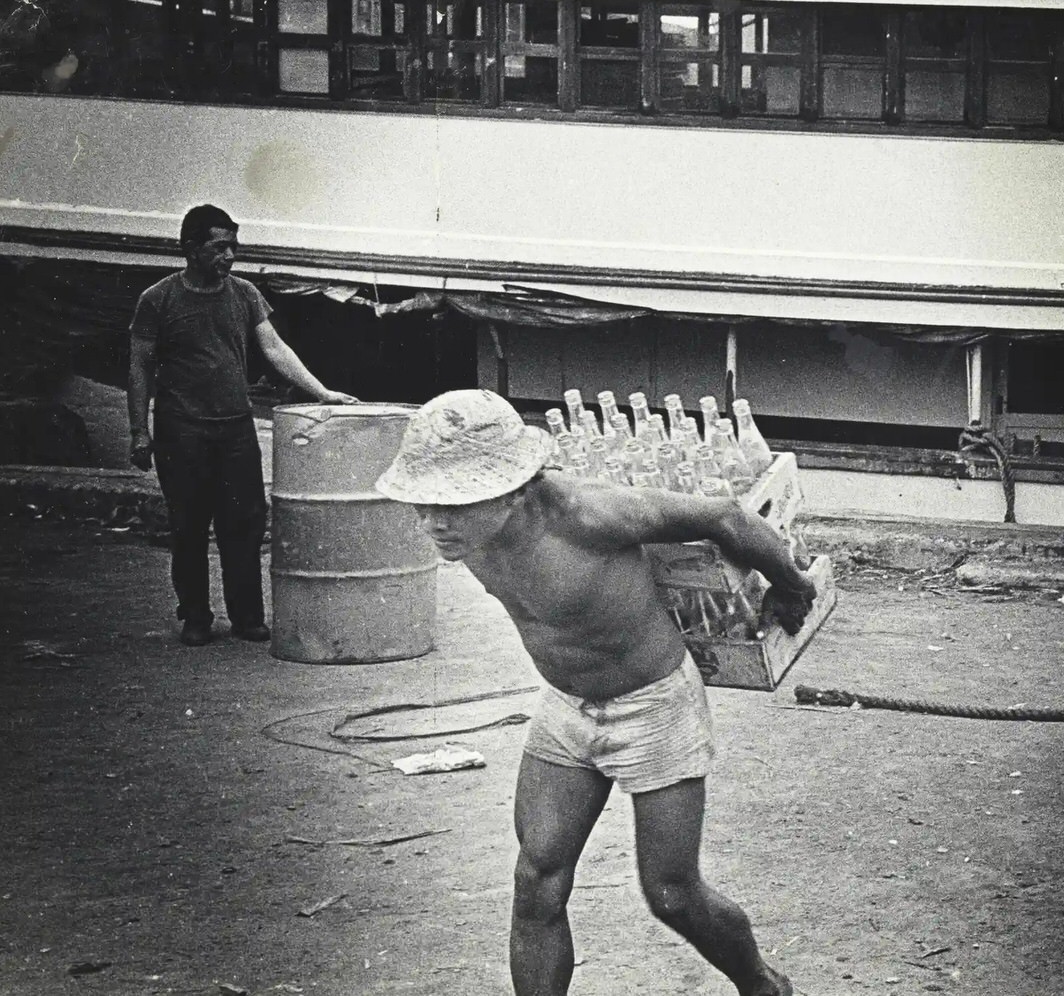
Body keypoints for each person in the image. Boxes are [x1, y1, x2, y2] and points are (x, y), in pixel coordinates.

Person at [375, 389, 817, 996]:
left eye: (453, 504)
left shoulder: (589, 516)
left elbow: (725, 516)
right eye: (425, 505)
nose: (433, 523)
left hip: (653, 708)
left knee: (672, 894)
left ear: (515, 488)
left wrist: (791, 583)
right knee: (537, 883)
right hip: (564, 709)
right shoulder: (465, 533)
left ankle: (765, 986)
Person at [128, 204, 356, 647]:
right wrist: (140, 430)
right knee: (189, 525)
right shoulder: (157, 299)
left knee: (245, 523)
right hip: (181, 431)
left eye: (234, 246)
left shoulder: (246, 294)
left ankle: (247, 617)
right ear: (190, 249)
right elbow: (138, 366)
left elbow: (275, 349)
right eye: (219, 247)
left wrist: (322, 393)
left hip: (235, 429)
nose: (229, 255)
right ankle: (195, 616)